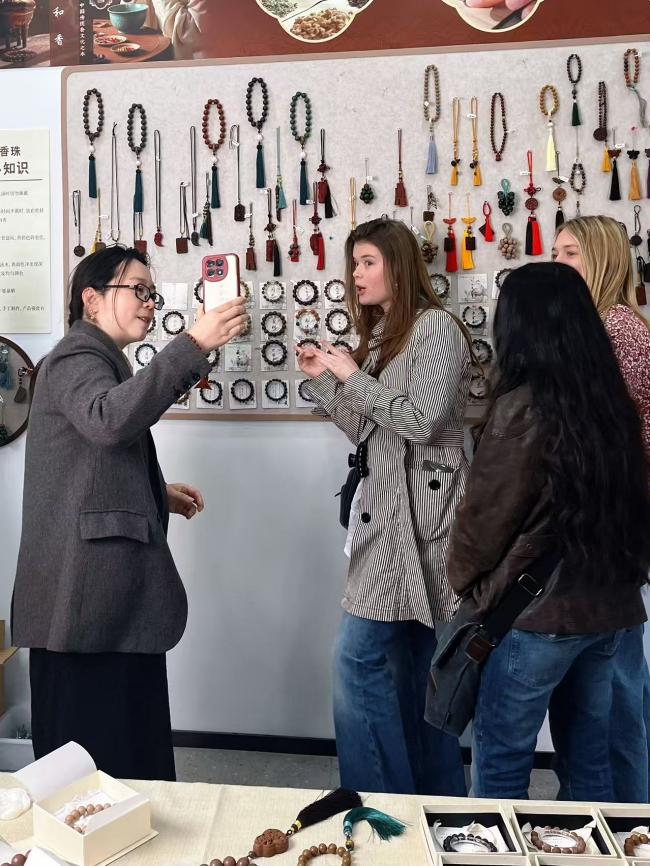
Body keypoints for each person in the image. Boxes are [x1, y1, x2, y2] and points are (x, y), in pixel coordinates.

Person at [12, 245, 247, 780]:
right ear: (92, 300)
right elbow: (108, 422)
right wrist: (192, 344)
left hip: (102, 604)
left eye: (152, 293)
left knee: (123, 755)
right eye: (137, 290)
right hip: (87, 604)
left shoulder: (98, 360)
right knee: (96, 768)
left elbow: (87, 457)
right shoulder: (76, 357)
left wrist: (155, 491)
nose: (149, 302)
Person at [447, 262, 650, 801]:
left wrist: (467, 586)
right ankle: (592, 846)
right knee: (590, 764)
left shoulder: (522, 407)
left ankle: (493, 846)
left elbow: (483, 523)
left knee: (501, 761)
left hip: (536, 616)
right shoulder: (612, 403)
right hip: (608, 609)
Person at [296, 217, 472, 796]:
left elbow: (422, 422)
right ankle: (426, 805)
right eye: (354, 264)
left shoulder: (436, 327)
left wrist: (352, 373)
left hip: (427, 521)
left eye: (368, 262)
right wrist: (326, 381)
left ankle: (379, 802)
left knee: (364, 662)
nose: (357, 274)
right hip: (385, 521)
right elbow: (369, 431)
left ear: (399, 266)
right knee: (413, 673)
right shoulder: (382, 336)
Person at [552, 215, 650, 802]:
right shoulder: (602, 325)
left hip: (611, 528)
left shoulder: (616, 330)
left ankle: (629, 817)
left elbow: (600, 439)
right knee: (602, 680)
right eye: (557, 252)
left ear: (603, 259)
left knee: (614, 686)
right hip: (609, 526)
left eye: (571, 253)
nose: (558, 263)